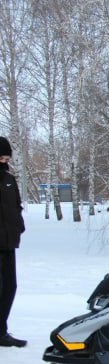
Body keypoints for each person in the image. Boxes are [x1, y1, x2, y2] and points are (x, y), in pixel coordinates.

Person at [0, 136, 27, 348]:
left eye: (7, 157)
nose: (4, 161)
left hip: (9, 242)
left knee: (10, 287)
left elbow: (16, 206)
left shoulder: (9, 180)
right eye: (1, 157)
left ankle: (1, 331)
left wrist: (19, 226)